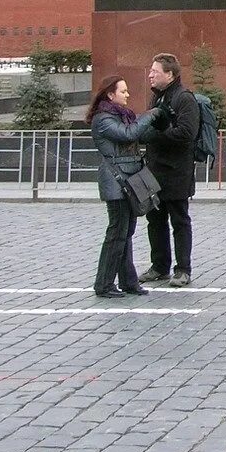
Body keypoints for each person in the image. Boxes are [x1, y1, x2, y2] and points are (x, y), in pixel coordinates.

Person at [87, 75, 165, 298]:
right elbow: (127, 134)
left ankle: (128, 281)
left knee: (125, 232)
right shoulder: (103, 119)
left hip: (127, 179)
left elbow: (137, 136)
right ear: (110, 95)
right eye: (123, 91)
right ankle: (103, 284)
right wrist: (149, 116)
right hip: (116, 181)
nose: (127, 95)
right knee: (117, 232)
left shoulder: (120, 116)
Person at [140, 53, 200, 288]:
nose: (150, 75)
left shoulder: (184, 99)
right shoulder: (158, 98)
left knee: (179, 220)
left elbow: (186, 135)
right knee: (154, 219)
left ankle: (183, 269)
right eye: (151, 71)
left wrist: (156, 134)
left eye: (155, 71)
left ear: (170, 74)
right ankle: (159, 266)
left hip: (177, 172)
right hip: (155, 170)